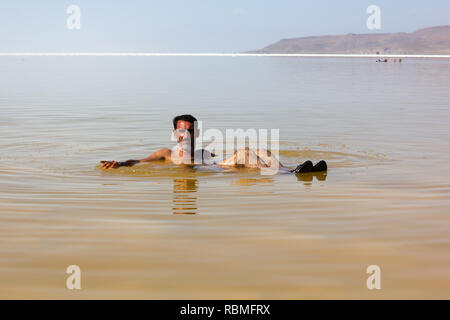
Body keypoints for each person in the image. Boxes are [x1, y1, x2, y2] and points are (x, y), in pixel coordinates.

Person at [100, 114, 327, 174]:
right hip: (216, 170)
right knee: (245, 152)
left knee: (260, 150)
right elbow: (138, 161)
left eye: (190, 131)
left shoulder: (201, 150)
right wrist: (119, 163)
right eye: (182, 131)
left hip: (216, 165)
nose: (186, 134)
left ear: (196, 132)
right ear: (175, 132)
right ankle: (292, 173)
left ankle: (292, 169)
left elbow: (214, 158)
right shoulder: (167, 153)